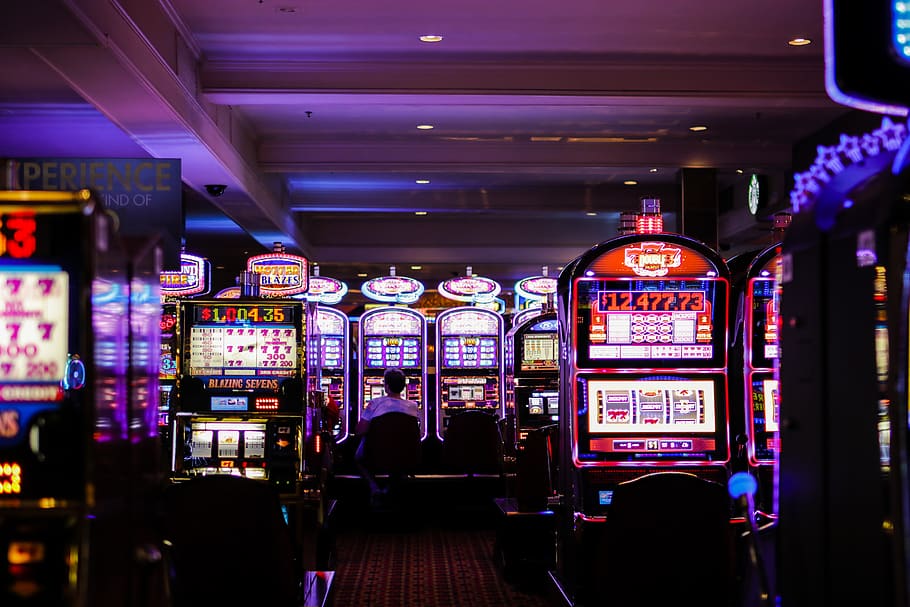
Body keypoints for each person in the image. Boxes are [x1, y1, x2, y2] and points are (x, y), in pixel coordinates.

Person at [354, 367, 420, 505]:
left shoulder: (374, 403)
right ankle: (389, 489)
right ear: (403, 387)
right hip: (406, 455)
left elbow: (359, 431)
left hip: (377, 455)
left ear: (386, 386)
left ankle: (374, 488)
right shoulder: (413, 406)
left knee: (358, 457)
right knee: (398, 454)